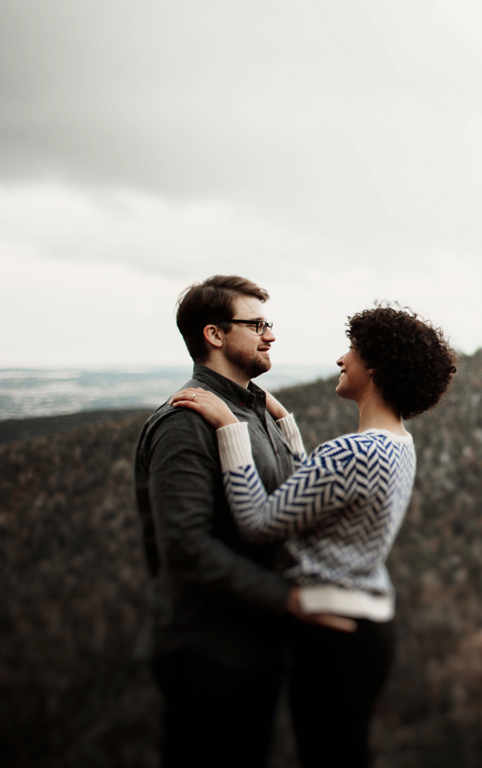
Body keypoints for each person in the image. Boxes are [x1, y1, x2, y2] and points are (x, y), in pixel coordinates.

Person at [170, 304, 457, 768]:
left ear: (375, 367)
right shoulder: (397, 443)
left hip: (333, 640)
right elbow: (319, 489)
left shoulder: (351, 452)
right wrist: (284, 423)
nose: (342, 360)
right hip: (367, 631)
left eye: (352, 351)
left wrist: (231, 429)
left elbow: (261, 522)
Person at [134, 275, 318, 768]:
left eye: (269, 323)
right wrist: (288, 599)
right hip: (209, 656)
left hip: (257, 649)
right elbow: (186, 547)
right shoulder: (186, 421)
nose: (270, 334)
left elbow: (292, 502)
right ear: (214, 335)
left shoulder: (250, 411)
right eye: (256, 324)